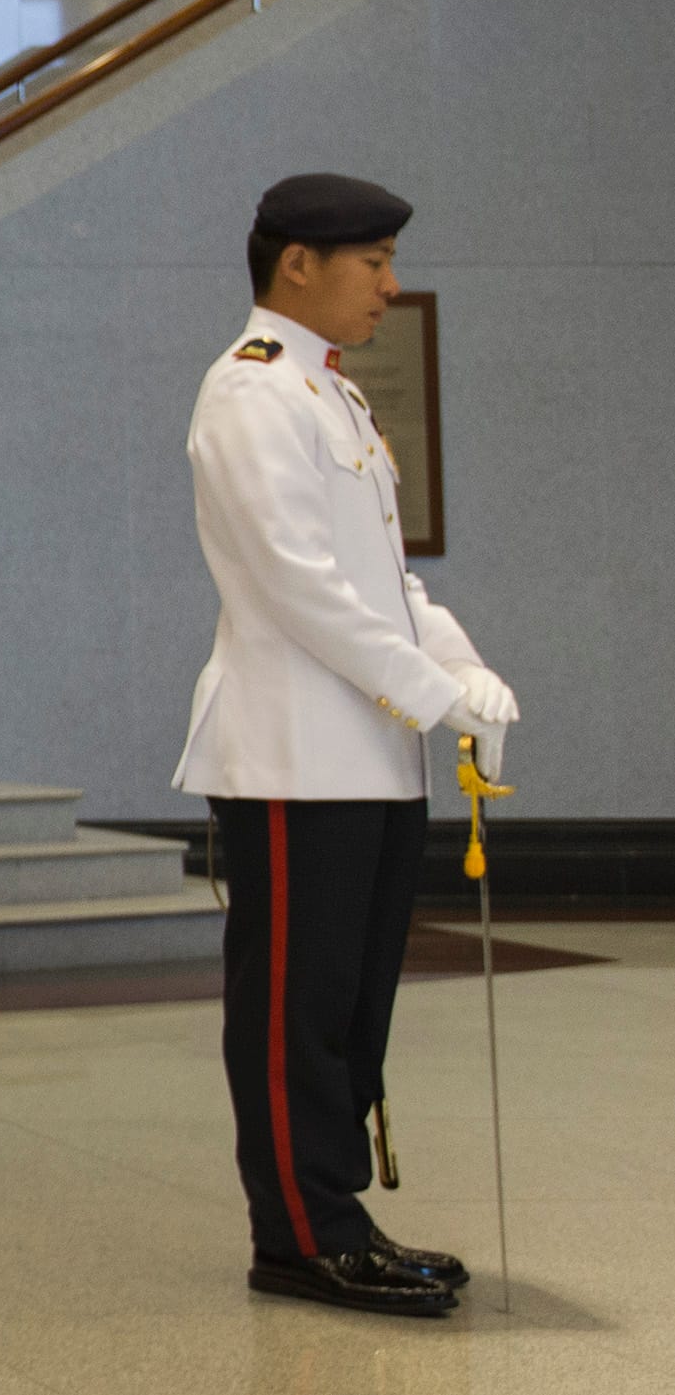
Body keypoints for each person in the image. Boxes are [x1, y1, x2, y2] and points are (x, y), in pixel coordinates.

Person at [180, 172, 516, 1318]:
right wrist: (425, 689)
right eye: (370, 260)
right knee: (293, 1009)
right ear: (297, 267)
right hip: (291, 754)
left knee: (352, 1001)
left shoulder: (333, 397)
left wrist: (462, 669)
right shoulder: (249, 392)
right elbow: (295, 584)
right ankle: (299, 1233)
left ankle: (336, 1212)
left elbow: (382, 580)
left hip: (367, 751)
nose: (389, 281)